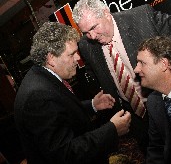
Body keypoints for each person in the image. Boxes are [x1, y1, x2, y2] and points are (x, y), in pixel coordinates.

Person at [72, 0, 171, 153]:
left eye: (94, 27)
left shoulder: (141, 16)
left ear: (106, 13)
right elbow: (95, 74)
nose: (92, 36)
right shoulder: (86, 46)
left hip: (167, 105)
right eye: (86, 32)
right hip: (135, 119)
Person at [14, 22, 131, 164]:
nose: (77, 58)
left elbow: (60, 113)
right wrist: (112, 131)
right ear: (51, 58)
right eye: (72, 54)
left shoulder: (42, 77)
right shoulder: (38, 96)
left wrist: (93, 105)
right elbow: (64, 154)